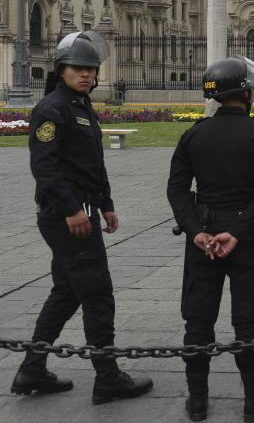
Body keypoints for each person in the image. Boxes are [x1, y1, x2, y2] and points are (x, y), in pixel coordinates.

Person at [12, 31, 153, 404]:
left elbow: (91, 164)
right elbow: (45, 168)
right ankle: (108, 377)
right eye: (79, 68)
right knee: (97, 293)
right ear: (61, 70)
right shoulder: (53, 108)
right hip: (66, 216)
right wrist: (73, 210)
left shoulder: (80, 106)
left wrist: (105, 203)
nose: (87, 74)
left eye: (91, 69)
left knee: (67, 291)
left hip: (83, 210)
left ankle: (33, 368)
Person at [167, 56, 254, 423]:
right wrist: (236, 232)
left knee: (198, 319)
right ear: (247, 93)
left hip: (203, 236)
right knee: (249, 318)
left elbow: (177, 190)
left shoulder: (194, 134)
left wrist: (196, 231)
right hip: (245, 236)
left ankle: (198, 401)